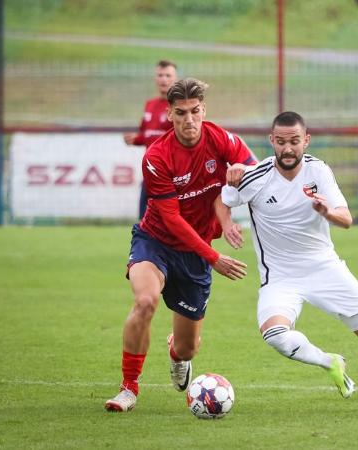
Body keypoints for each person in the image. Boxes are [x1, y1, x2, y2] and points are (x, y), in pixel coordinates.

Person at [216, 111, 358, 414]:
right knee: (275, 336)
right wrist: (226, 223)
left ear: (306, 140)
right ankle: (329, 361)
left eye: (294, 141)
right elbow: (223, 199)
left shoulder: (319, 172)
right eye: (281, 142)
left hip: (324, 269)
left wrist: (326, 212)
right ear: (271, 142)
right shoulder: (253, 176)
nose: (288, 148)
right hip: (280, 277)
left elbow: (346, 219)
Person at [105, 78, 258, 412]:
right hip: (156, 241)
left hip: (195, 254)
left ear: (204, 110)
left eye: (195, 111)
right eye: (180, 113)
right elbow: (172, 219)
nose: (189, 119)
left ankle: (176, 352)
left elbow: (256, 170)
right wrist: (214, 256)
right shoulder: (157, 156)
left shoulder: (222, 139)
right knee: (145, 302)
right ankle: (128, 388)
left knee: (189, 349)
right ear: (170, 115)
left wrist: (241, 170)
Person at [124, 60, 178, 219]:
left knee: (171, 222)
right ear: (155, 79)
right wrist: (136, 139)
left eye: (168, 75)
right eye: (160, 75)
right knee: (144, 222)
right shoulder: (150, 104)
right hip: (150, 171)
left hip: (172, 173)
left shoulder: (179, 106)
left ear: (175, 79)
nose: (164, 79)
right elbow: (147, 133)